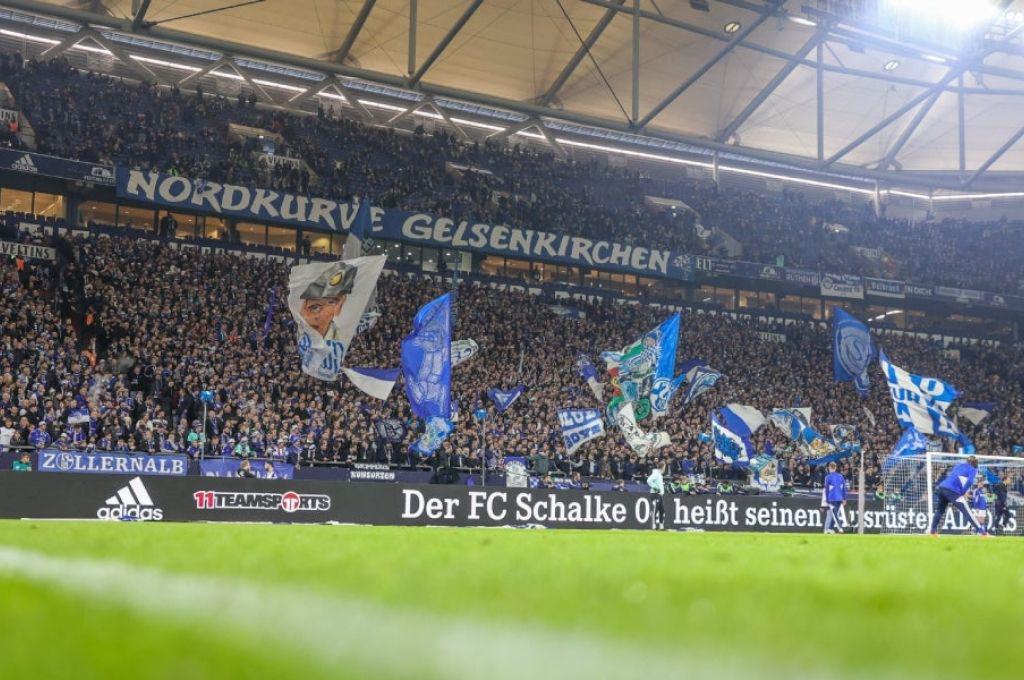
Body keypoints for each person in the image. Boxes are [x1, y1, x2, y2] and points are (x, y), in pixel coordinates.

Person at [929, 455, 987, 536]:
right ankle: (982, 532)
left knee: (940, 510)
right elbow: (970, 481)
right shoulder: (973, 469)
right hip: (953, 491)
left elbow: (954, 476)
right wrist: (963, 492)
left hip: (942, 487)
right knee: (967, 512)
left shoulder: (958, 465)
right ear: (975, 463)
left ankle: (932, 531)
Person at [298, 261, 356, 340]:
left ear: (340, 305)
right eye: (314, 307)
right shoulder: (300, 335)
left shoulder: (342, 338)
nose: (320, 315)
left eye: (331, 303)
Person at [822, 461, 847, 534]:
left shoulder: (827, 477)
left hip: (832, 498)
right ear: (835, 468)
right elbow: (843, 488)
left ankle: (840, 529)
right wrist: (844, 498)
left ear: (829, 468)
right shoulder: (841, 476)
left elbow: (826, 489)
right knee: (835, 514)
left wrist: (827, 499)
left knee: (835, 514)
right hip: (840, 498)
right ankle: (830, 528)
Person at [646, 461, 666, 531]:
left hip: (659, 494)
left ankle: (661, 526)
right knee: (655, 510)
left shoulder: (659, 475)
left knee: (662, 510)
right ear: (663, 467)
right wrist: (655, 488)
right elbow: (649, 480)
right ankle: (653, 526)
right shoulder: (656, 474)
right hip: (655, 494)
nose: (665, 468)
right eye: (664, 466)